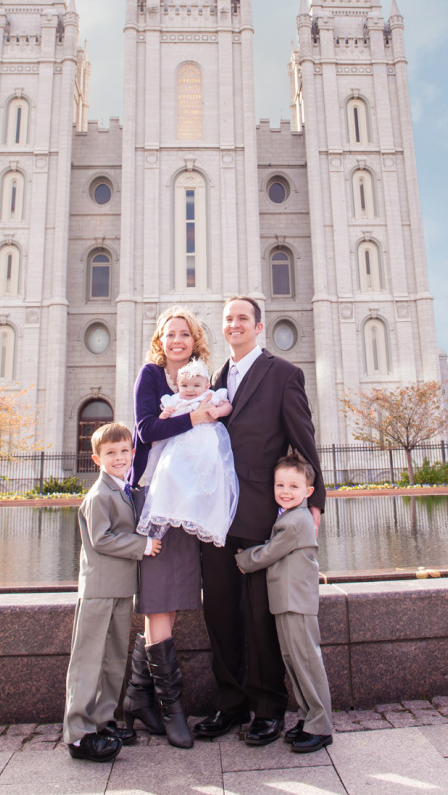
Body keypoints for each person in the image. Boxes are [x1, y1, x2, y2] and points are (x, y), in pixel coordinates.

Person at [195, 296, 326, 747]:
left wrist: (315, 498)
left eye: (242, 319)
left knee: (259, 615)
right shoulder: (216, 379)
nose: (234, 325)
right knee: (220, 613)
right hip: (214, 516)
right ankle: (231, 704)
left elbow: (302, 437)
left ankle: (268, 707)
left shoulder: (283, 374)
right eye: (228, 319)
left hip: (258, 513)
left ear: (259, 326)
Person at [124, 308, 218, 749]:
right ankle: (172, 708)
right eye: (170, 334)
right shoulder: (151, 375)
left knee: (174, 598)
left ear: (194, 340)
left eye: (184, 334)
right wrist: (194, 419)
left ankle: (138, 697)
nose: (177, 340)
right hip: (155, 498)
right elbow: (145, 430)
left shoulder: (205, 379)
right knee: (159, 600)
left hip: (188, 503)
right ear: (160, 340)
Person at [63, 422, 161, 763]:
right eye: (110, 453)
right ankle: (78, 735)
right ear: (96, 459)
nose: (119, 458)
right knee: (88, 661)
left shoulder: (122, 488)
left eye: (124, 451)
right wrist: (144, 546)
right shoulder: (99, 494)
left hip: (121, 589)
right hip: (99, 590)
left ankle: (103, 721)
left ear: (133, 453)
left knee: (114, 658)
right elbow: (102, 539)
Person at [235, 453, 333, 753]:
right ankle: (306, 718)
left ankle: (321, 726)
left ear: (308, 491)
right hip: (286, 601)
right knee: (294, 663)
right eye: (280, 485)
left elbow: (268, 554)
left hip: (296, 603)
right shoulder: (289, 517)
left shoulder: (295, 522)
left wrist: (242, 558)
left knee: (306, 663)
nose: (285, 491)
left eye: (293, 486)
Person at [137, 358, 238, 546]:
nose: (190, 390)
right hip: (182, 445)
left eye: (196, 385)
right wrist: (164, 414)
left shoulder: (210, 396)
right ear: (177, 385)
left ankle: (202, 511)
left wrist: (219, 412)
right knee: (170, 472)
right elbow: (160, 422)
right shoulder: (175, 400)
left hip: (205, 443)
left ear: (207, 385)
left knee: (208, 470)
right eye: (184, 385)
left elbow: (228, 406)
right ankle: (168, 508)